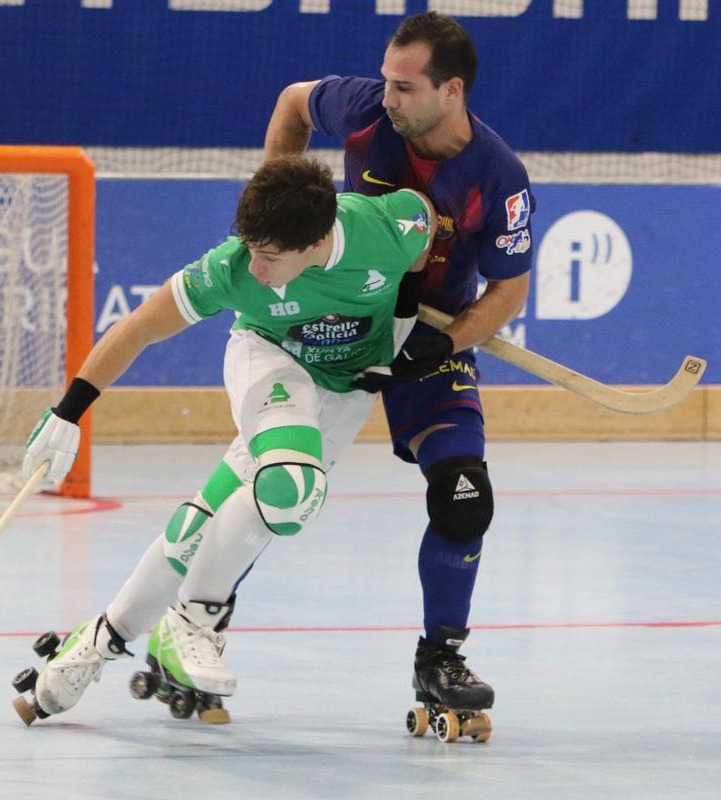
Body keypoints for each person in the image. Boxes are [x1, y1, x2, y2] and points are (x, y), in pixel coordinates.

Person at [15, 155, 434, 723]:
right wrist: (70, 412)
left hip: (347, 392)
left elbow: (423, 228)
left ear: (316, 243)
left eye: (269, 257)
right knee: (290, 488)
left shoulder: (389, 227)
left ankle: (96, 640)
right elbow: (139, 327)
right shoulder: (233, 267)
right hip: (271, 362)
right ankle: (192, 623)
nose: (255, 270)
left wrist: (403, 327)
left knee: (204, 525)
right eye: (251, 251)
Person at [261, 11, 534, 716]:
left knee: (464, 494)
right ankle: (200, 620)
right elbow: (294, 101)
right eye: (386, 81)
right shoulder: (362, 109)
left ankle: (438, 655)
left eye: (405, 87)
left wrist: (445, 343)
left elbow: (509, 289)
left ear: (452, 90)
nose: (388, 98)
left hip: (429, 335)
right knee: (269, 487)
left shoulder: (498, 177)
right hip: (334, 325)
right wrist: (278, 207)